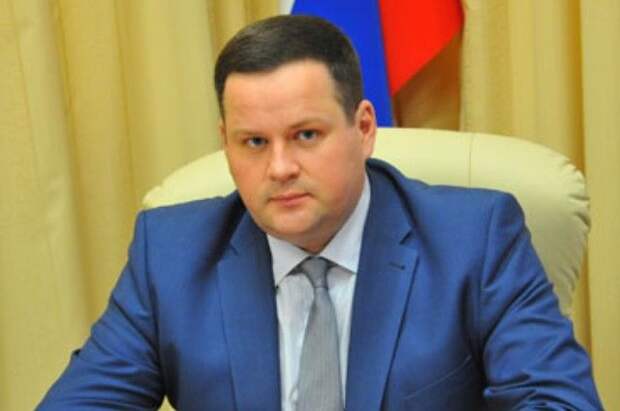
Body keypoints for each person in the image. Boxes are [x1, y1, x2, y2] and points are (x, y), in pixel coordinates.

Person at [38, 15, 602, 410]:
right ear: (225, 143)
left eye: (306, 135)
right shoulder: (171, 254)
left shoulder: (475, 239)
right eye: (254, 143)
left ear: (363, 128)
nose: (280, 167)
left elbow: (559, 401)